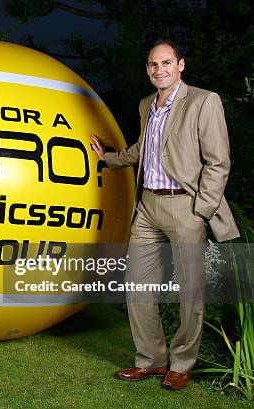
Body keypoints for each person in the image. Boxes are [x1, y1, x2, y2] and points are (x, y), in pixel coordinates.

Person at [90, 40, 239, 390]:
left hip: (185, 206)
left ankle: (181, 364)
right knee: (136, 286)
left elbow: (218, 163)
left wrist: (200, 210)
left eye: (166, 63)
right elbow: (145, 149)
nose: (160, 70)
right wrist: (108, 159)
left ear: (181, 65)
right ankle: (151, 361)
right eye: (153, 65)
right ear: (148, 69)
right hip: (148, 207)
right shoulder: (147, 105)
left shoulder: (204, 101)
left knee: (190, 293)